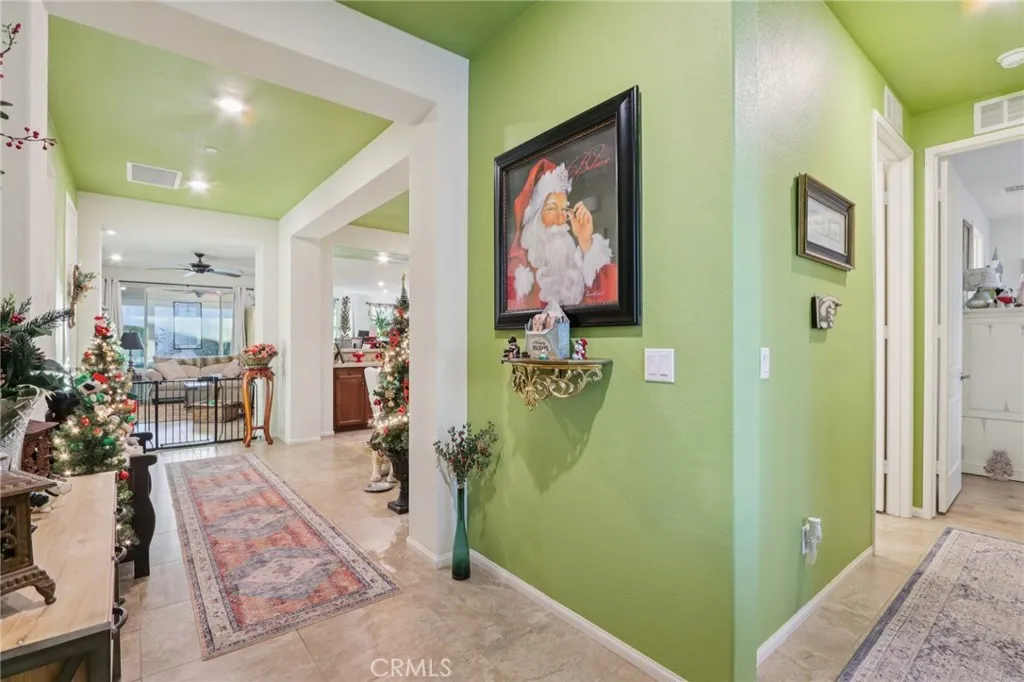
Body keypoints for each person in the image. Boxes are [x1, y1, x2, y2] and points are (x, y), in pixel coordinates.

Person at [506, 159, 617, 310]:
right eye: (552, 208)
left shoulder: (574, 263)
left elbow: (610, 294)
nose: (560, 220)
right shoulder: (518, 271)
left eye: (564, 209)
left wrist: (586, 242)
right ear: (535, 218)